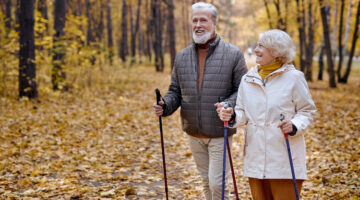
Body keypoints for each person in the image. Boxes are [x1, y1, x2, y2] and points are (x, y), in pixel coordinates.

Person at [153, 2, 247, 199]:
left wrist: (228, 106)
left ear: (214, 22)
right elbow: (175, 91)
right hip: (193, 132)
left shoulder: (233, 54)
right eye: (194, 20)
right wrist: (166, 105)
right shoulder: (182, 56)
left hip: (219, 130)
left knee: (217, 184)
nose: (198, 24)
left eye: (203, 20)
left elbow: (242, 90)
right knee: (206, 182)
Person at [218, 29, 316, 200]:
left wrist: (294, 125)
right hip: (256, 160)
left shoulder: (294, 78)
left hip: (284, 160)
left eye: (261, 46)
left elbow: (307, 111)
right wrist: (232, 116)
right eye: (257, 45)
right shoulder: (247, 79)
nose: (256, 50)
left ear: (276, 51)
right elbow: (242, 112)